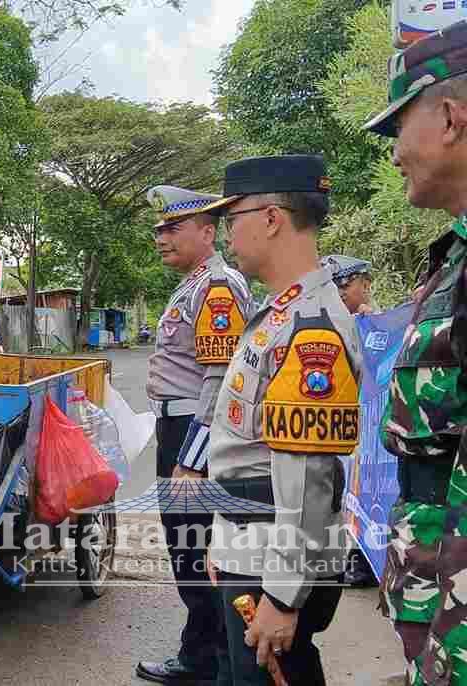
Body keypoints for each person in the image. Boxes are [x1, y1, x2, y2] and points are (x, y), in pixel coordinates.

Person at [200, 155, 362, 685]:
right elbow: (247, 451)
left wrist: (283, 595)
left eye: (232, 219)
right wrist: (224, 539)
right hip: (252, 547)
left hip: (274, 564)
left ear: (271, 218)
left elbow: (310, 477)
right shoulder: (281, 313)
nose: (228, 236)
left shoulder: (310, 328)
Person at [363, 19, 467, 685]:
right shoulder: (453, 256)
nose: (395, 153)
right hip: (433, 587)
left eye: (399, 127)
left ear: (451, 118)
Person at [136, 185, 254, 686]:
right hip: (178, 427)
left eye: (173, 227)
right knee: (188, 548)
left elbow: (220, 379)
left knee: (197, 549)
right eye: (158, 229)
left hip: (193, 431)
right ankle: (204, 653)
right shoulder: (196, 283)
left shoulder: (217, 287)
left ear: (207, 233)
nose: (161, 237)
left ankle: (214, 664)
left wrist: (192, 458)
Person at [321, 254, 381, 589]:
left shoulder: (378, 325)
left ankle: (362, 562)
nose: (341, 291)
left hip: (367, 429)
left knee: (365, 494)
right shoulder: (322, 322)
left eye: (347, 283)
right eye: (335, 286)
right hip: (334, 425)